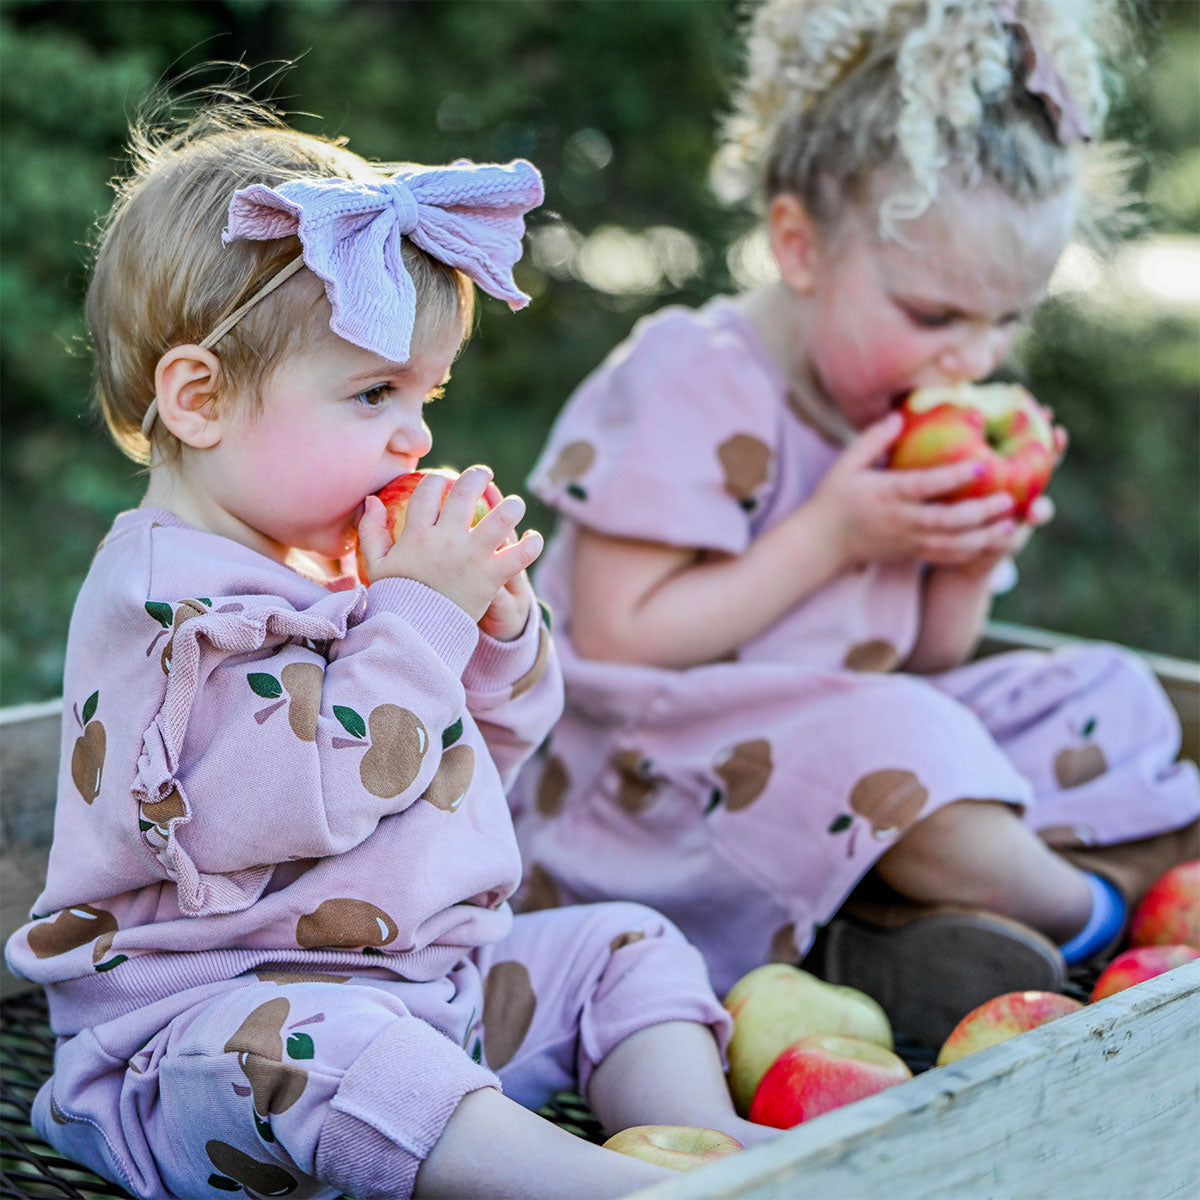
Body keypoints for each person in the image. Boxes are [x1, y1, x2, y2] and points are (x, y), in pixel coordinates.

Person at [3, 102, 773, 1200]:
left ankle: (705, 1148)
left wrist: (496, 635)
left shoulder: (341, 574)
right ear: (202, 398)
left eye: (425, 396)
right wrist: (419, 618)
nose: (414, 438)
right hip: (207, 1036)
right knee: (333, 1056)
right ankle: (602, 1189)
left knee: (622, 947)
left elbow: (468, 762)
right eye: (373, 394)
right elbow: (269, 808)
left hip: (424, 988)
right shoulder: (169, 604)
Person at [511, 0, 1200, 1047]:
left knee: (1115, 694)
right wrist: (832, 535)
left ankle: (913, 922)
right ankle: (1091, 915)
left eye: (1006, 320)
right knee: (906, 746)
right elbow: (614, 640)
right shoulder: (693, 378)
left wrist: (968, 555)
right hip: (659, 774)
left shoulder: (899, 408)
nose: (970, 361)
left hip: (857, 749)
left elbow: (928, 654)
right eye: (934, 316)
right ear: (799, 245)